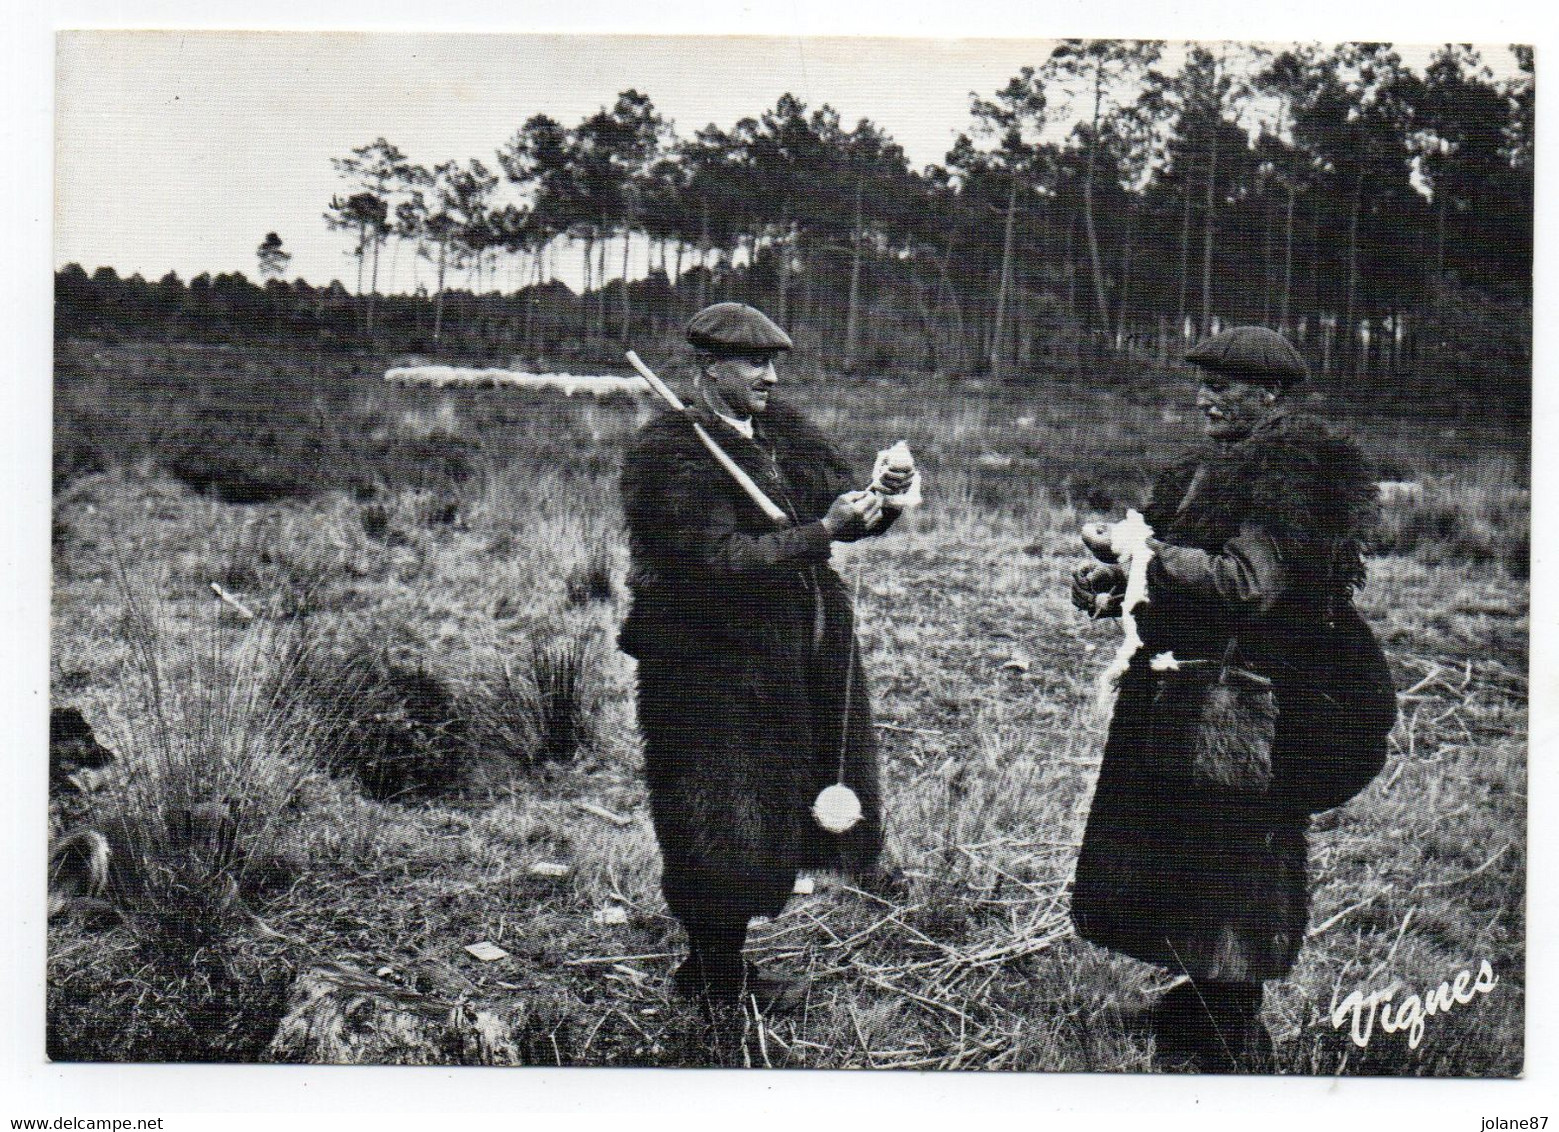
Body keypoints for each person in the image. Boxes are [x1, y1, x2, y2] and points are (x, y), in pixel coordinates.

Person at [1068, 326, 1396, 1072]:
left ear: (1271, 393)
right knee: (1191, 846)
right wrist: (1116, 587)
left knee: (1235, 857)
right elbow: (1183, 576)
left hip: (1247, 700)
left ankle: (1231, 1033)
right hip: (1193, 689)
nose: (1203, 396)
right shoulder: (1209, 465)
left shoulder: (1291, 469)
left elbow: (1243, 585)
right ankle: (1201, 1006)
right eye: (1202, 382)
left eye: (1222, 384)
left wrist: (1143, 555)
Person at [619, 302, 917, 1010]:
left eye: (775, 362)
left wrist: (881, 500)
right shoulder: (672, 453)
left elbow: (838, 510)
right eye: (755, 363)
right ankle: (714, 979)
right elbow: (717, 562)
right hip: (708, 667)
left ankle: (720, 968)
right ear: (708, 368)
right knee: (714, 819)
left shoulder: (777, 435)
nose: (771, 377)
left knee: (765, 810)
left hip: (784, 663)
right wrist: (822, 533)